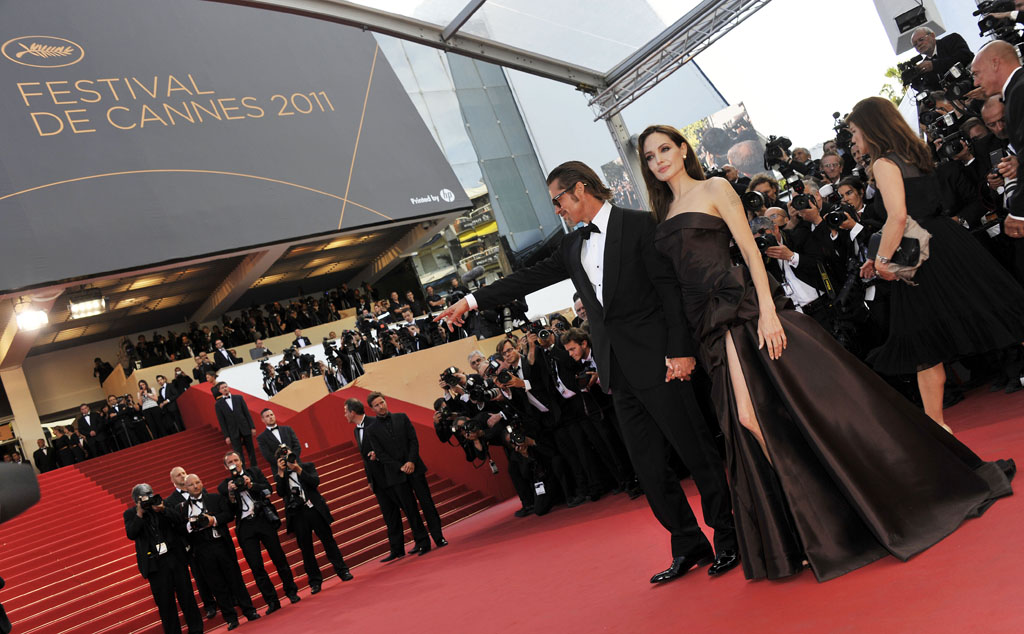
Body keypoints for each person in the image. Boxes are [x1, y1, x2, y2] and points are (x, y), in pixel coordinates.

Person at [637, 122, 1015, 582]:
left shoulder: (714, 187)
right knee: (762, 420)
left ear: (682, 149)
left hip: (739, 309)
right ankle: (814, 525)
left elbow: (751, 254)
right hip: (706, 326)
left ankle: (829, 522)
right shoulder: (664, 212)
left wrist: (769, 314)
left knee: (752, 419)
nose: (658, 160)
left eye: (664, 149)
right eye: (650, 156)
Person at [436, 161, 738, 583]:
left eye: (558, 199)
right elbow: (524, 279)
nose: (556, 209)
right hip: (619, 375)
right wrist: (468, 303)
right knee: (650, 469)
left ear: (580, 189)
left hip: (662, 364)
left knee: (698, 454)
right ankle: (688, 544)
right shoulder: (571, 246)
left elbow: (670, 293)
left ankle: (729, 537)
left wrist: (679, 351)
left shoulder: (640, 224)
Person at [848, 97, 1024, 425]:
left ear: (871, 129)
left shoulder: (884, 164)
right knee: (992, 308)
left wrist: (883, 260)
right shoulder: (917, 153)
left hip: (921, 255)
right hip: (946, 242)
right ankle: (938, 427)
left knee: (923, 344)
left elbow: (898, 217)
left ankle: (939, 428)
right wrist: (878, 257)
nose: (854, 141)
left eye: (856, 132)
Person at [345, 398, 430, 561]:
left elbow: (388, 447)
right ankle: (397, 549)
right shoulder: (357, 430)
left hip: (391, 474)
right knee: (389, 515)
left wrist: (380, 456)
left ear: (352, 412)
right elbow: (365, 459)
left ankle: (421, 541)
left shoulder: (374, 422)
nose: (344, 415)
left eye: (345, 411)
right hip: (377, 480)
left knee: (409, 509)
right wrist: (369, 479)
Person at [218, 452, 301, 615]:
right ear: (226, 467)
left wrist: (251, 485)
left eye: (236, 460)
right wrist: (231, 495)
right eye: (230, 462)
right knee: (256, 566)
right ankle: (271, 600)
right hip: (245, 526)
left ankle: (291, 591)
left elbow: (269, 491)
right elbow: (227, 512)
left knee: (278, 557)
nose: (234, 464)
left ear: (241, 461)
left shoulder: (254, 472)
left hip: (263, 519)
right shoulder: (224, 486)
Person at [365, 393, 448, 551]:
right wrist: (400, 467)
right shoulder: (371, 430)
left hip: (415, 467)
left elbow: (414, 441)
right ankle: (423, 542)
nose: (381, 406)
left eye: (382, 402)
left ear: (385, 401)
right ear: (372, 409)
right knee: (410, 510)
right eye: (376, 405)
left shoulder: (401, 417)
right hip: (396, 475)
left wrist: (410, 461)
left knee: (427, 503)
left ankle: (439, 537)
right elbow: (380, 454)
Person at [182, 474, 260, 630]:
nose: (196, 486)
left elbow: (229, 515)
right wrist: (191, 526)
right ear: (186, 488)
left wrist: (213, 520)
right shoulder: (183, 507)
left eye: (198, 482)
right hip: (202, 550)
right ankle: (230, 618)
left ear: (202, 483)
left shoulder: (214, 498)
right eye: (191, 484)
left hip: (221, 545)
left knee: (235, 579)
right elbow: (181, 529)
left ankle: (249, 610)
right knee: (217, 585)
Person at [124, 483, 203, 634]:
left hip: (176, 558)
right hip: (156, 565)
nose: (149, 499)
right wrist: (140, 513)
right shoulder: (131, 514)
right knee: (165, 604)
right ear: (136, 500)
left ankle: (196, 630)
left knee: (187, 596)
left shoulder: (162, 504)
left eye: (150, 494)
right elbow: (131, 534)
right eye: (145, 497)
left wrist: (163, 510)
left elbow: (180, 520)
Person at [274, 448, 353, 593]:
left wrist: (298, 469)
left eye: (289, 454)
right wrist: (280, 472)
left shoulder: (307, 466)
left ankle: (342, 571)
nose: (288, 458)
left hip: (314, 509)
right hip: (298, 515)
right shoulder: (281, 475)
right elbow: (280, 492)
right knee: (306, 549)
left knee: (328, 541)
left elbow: (315, 481)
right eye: (283, 457)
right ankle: (315, 581)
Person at [164, 467, 217, 621]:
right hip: (191, 544)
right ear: (173, 481)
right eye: (178, 475)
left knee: (216, 570)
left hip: (209, 537)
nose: (182, 476)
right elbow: (174, 524)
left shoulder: (200, 490)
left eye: (183, 473)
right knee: (199, 576)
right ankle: (209, 605)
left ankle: (226, 597)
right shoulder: (169, 501)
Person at [214, 383, 259, 469]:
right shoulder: (218, 404)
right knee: (238, 453)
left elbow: (246, 413)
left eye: (226, 387)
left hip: (245, 428)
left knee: (251, 450)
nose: (225, 389)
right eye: (222, 388)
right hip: (233, 432)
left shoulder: (238, 398)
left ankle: (255, 467)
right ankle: (243, 469)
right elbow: (222, 421)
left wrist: (252, 427)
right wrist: (226, 436)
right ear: (220, 391)